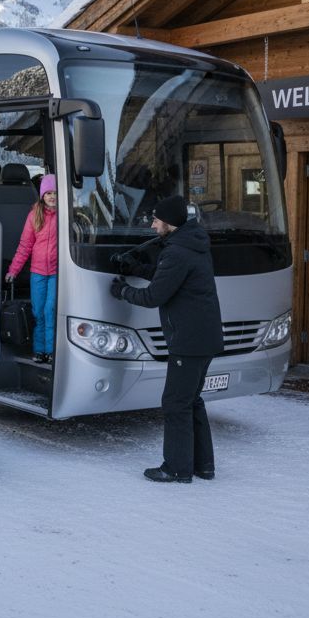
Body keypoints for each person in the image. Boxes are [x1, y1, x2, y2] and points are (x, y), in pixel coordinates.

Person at [110, 195, 223, 483]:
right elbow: (170, 279)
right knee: (191, 399)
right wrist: (139, 269)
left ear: (170, 223)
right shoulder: (191, 244)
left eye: (156, 220)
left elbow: (154, 296)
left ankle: (176, 468)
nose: (152, 225)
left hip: (188, 338)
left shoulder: (177, 252)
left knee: (175, 403)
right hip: (203, 336)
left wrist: (122, 292)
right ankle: (203, 465)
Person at [5, 173, 59, 364]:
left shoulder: (64, 217)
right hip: (37, 273)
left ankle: (51, 350)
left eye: (55, 193)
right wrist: (13, 270)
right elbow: (25, 246)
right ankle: (39, 350)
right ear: (42, 195)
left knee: (50, 309)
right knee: (38, 311)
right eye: (48, 193)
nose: (52, 197)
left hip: (56, 273)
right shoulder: (34, 215)